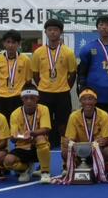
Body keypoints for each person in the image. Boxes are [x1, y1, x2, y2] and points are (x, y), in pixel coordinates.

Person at [31, 18, 77, 146]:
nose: (52, 32)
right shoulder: (38, 52)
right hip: (44, 92)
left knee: (63, 121)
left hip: (63, 93)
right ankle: (47, 143)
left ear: (60, 32)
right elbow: (35, 74)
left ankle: (63, 145)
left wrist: (66, 86)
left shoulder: (68, 52)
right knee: (45, 121)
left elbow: (72, 73)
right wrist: (43, 85)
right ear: (45, 32)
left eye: (55, 30)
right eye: (49, 30)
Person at [4, 83, 53, 183]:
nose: (29, 101)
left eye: (32, 98)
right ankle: (24, 169)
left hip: (38, 146)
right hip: (22, 147)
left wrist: (31, 133)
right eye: (26, 98)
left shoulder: (43, 109)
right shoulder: (15, 114)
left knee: (40, 138)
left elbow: (46, 129)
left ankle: (45, 172)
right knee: (7, 161)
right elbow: (13, 139)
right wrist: (17, 137)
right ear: (22, 98)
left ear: (37, 98)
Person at [77, 14, 108, 114]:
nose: (104, 27)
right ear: (97, 27)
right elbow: (82, 72)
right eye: (101, 24)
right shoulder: (88, 48)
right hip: (93, 95)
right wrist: (82, 89)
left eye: (107, 25)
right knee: (93, 122)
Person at [62, 88, 108, 173]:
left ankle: (100, 168)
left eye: (90, 99)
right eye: (84, 99)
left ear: (95, 101)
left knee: (107, 152)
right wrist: (69, 142)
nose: (87, 102)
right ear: (80, 101)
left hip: (97, 149)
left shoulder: (104, 115)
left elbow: (106, 138)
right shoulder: (73, 116)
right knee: (65, 151)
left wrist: (104, 141)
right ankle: (73, 166)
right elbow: (70, 138)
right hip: (79, 150)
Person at [0, 29, 33, 120]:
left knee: (19, 121)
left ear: (19, 44)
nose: (11, 45)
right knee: (3, 122)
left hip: (18, 97)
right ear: (4, 43)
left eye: (14, 42)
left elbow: (28, 81)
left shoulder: (26, 60)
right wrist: (4, 91)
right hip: (2, 97)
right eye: (8, 42)